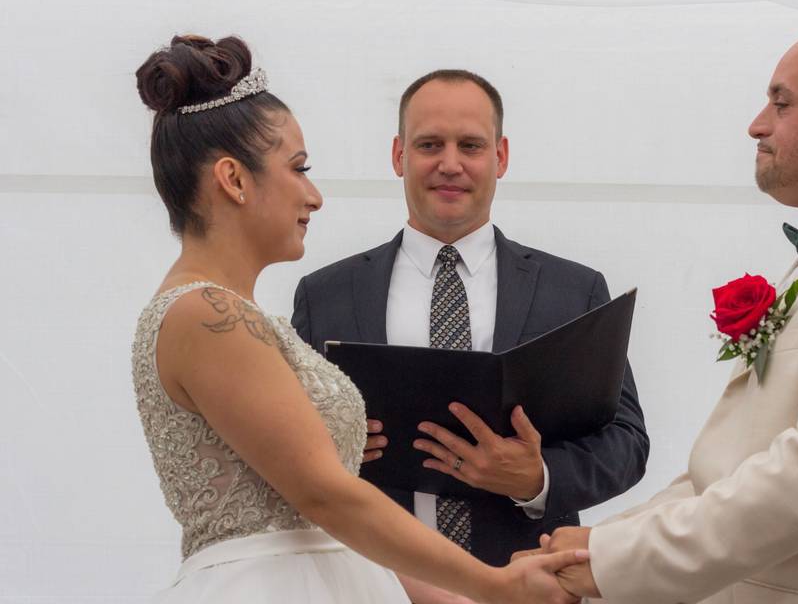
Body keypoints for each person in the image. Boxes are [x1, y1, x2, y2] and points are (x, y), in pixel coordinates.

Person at [131, 34, 588, 604]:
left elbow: (328, 521)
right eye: (298, 168)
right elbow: (327, 496)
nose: (315, 195)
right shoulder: (208, 314)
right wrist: (493, 584)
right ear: (234, 179)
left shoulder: (232, 314)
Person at [530, 27, 798, 603]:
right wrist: (599, 544)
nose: (757, 124)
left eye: (781, 103)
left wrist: (610, 562)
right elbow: (733, 468)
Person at [292, 69, 650, 568]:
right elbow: (288, 444)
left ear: (500, 157)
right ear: (399, 155)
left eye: (471, 145)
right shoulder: (325, 294)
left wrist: (537, 477)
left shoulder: (573, 292)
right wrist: (332, 451)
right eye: (430, 144)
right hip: (372, 584)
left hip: (528, 583)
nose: (450, 164)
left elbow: (626, 443)